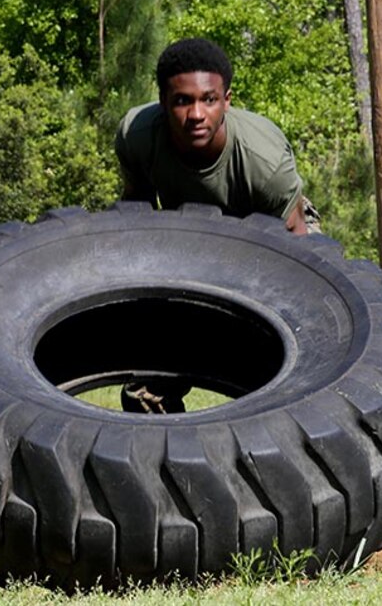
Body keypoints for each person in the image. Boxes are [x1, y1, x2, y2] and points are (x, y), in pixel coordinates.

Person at [114, 37, 319, 413]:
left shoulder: (263, 161)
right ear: (163, 102)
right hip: (189, 245)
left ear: (226, 100)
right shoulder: (138, 136)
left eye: (208, 100)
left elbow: (298, 252)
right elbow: (136, 216)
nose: (196, 114)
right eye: (182, 101)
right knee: (143, 391)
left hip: (273, 246)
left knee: (286, 383)